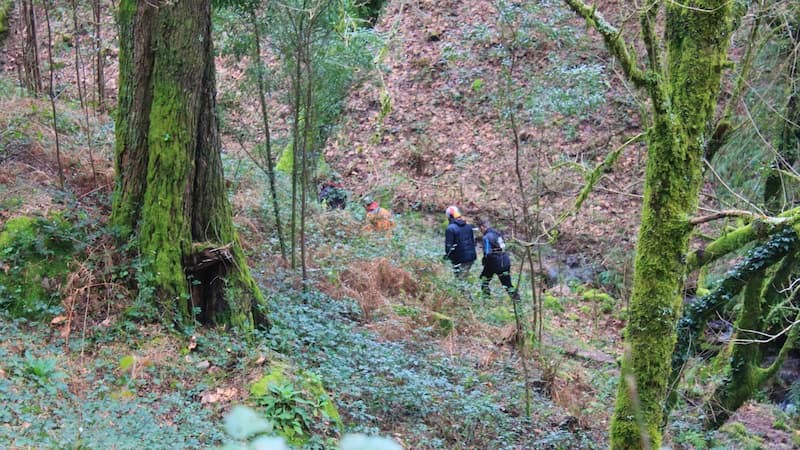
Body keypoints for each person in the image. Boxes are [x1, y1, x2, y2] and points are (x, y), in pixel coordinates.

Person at [478, 217, 519, 300]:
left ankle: (486, 299)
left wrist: (484, 261)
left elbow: (487, 253)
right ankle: (517, 302)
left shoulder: (486, 237)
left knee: (484, 280)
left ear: (482, 227)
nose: (480, 230)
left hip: (494, 263)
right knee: (508, 285)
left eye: (480, 228)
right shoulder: (497, 233)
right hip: (505, 261)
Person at [444, 205, 476, 279]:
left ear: (449, 217)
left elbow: (449, 246)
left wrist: (448, 256)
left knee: (460, 280)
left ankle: (463, 290)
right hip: (471, 257)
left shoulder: (450, 228)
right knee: (463, 277)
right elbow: (473, 242)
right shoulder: (468, 226)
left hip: (459, 259)